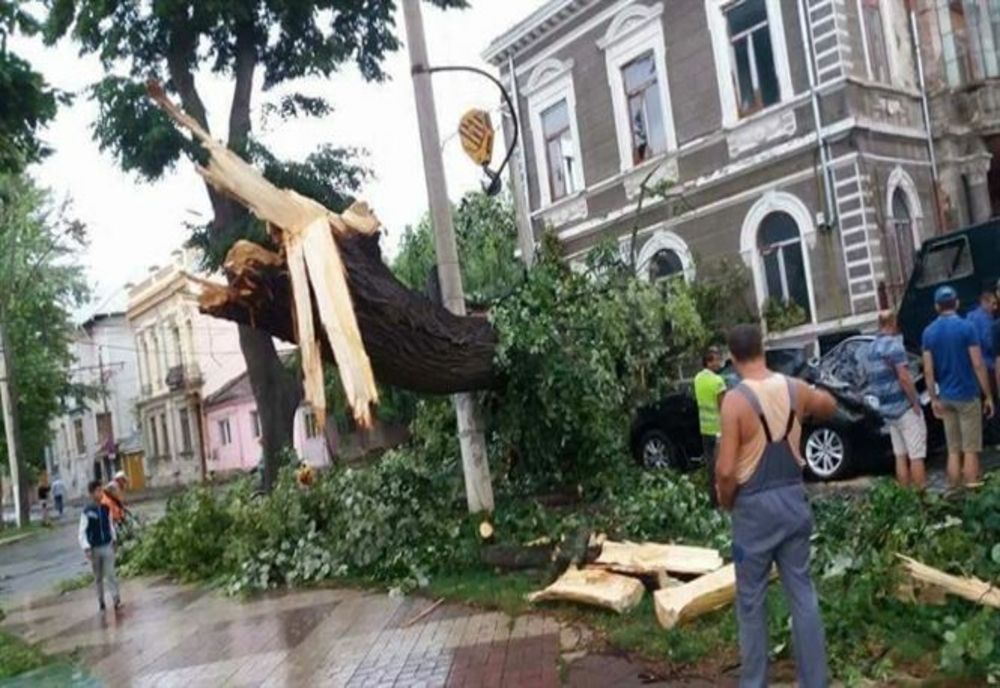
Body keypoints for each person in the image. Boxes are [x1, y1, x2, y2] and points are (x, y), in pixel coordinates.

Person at [715, 324, 837, 688]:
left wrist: (726, 499)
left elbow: (725, 470)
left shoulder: (735, 401)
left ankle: (754, 683)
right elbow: (828, 405)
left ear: (733, 358)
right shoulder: (793, 388)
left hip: (753, 510)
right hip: (793, 501)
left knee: (751, 601)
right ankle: (815, 681)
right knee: (802, 591)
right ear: (763, 349)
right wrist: (812, 401)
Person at [922, 285, 994, 488]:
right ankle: (971, 494)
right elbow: (978, 364)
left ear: (937, 306)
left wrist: (934, 398)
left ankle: (954, 493)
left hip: (946, 396)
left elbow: (928, 371)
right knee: (970, 449)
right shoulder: (967, 328)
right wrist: (987, 395)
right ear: (957, 303)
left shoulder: (928, 333)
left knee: (953, 450)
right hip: (968, 394)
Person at [861, 311, 928, 488]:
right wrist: (915, 402)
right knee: (916, 455)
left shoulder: (871, 349)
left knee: (900, 455)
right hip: (904, 408)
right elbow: (904, 378)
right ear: (893, 322)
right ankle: (921, 499)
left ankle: (904, 497)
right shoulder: (894, 347)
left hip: (888, 410)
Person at [78, 480, 121, 613]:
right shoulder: (87, 511)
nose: (100, 493)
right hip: (94, 547)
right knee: (98, 577)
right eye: (97, 491)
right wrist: (86, 547)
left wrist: (114, 539)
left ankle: (115, 598)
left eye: (101, 490)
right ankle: (101, 601)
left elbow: (110, 525)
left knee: (111, 573)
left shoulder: (105, 509)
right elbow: (82, 531)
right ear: (91, 494)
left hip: (107, 545)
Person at [694, 346, 726, 503]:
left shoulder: (697, 379)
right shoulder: (718, 381)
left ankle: (714, 500)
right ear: (709, 362)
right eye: (717, 360)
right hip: (718, 431)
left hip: (704, 430)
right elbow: (723, 408)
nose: (719, 363)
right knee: (722, 468)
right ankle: (724, 500)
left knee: (711, 468)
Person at [966, 289, 997, 396]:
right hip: (988, 367)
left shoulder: (969, 317)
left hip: (972, 369)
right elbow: (989, 343)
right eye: (992, 304)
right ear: (984, 302)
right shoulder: (986, 320)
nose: (995, 307)